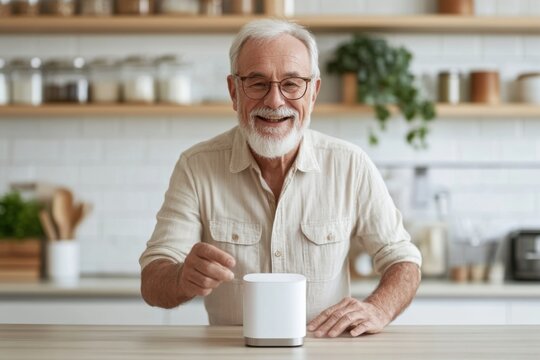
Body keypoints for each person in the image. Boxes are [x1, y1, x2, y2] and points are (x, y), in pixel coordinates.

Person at [140, 19, 421, 338]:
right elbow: (153, 279)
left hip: (325, 353)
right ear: (234, 92)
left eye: (291, 84)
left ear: (313, 93)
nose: (274, 101)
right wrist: (179, 278)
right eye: (257, 84)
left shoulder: (350, 164)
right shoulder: (196, 166)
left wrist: (379, 308)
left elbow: (403, 259)